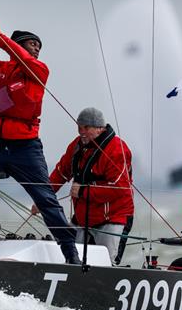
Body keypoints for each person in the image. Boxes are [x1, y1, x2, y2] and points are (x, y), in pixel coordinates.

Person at [0, 14, 80, 264]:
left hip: (26, 148)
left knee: (46, 200)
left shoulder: (38, 69)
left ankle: (71, 254)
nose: (36, 49)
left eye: (39, 46)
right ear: (18, 44)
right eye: (32, 43)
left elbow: (22, 58)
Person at [32, 108, 134, 264]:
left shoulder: (117, 149)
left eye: (86, 128)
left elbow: (119, 188)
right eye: (79, 127)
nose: (82, 132)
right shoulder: (76, 146)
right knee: (73, 261)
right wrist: (43, 198)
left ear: (100, 128)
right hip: (83, 219)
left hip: (114, 218)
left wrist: (84, 191)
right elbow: (61, 172)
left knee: (106, 264)